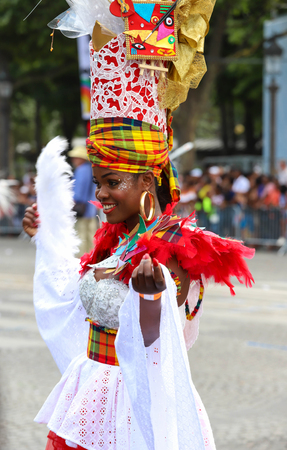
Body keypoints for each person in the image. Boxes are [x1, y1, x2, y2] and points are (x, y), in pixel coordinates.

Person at [22, 1, 254, 449]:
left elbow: (161, 341)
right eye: (99, 181)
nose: (100, 194)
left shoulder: (175, 247)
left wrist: (152, 301)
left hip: (138, 416)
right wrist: (46, 237)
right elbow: (78, 294)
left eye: (113, 183)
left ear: (148, 181)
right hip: (88, 404)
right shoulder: (117, 240)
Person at [67, 144, 99, 256]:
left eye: (75, 157)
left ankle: (82, 263)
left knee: (81, 237)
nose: (73, 160)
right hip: (92, 209)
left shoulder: (80, 170)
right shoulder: (90, 169)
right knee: (91, 238)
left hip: (81, 210)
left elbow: (78, 193)